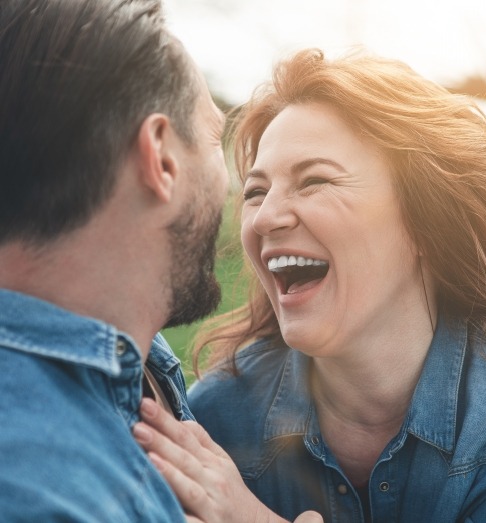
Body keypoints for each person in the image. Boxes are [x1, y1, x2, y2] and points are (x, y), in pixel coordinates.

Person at [136, 48, 486, 522]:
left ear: (427, 222)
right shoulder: (218, 420)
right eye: (255, 191)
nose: (264, 217)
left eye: (315, 180)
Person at [0, 2, 322, 522]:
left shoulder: (140, 370)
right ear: (162, 158)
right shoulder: (56, 493)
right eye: (216, 139)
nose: (256, 213)